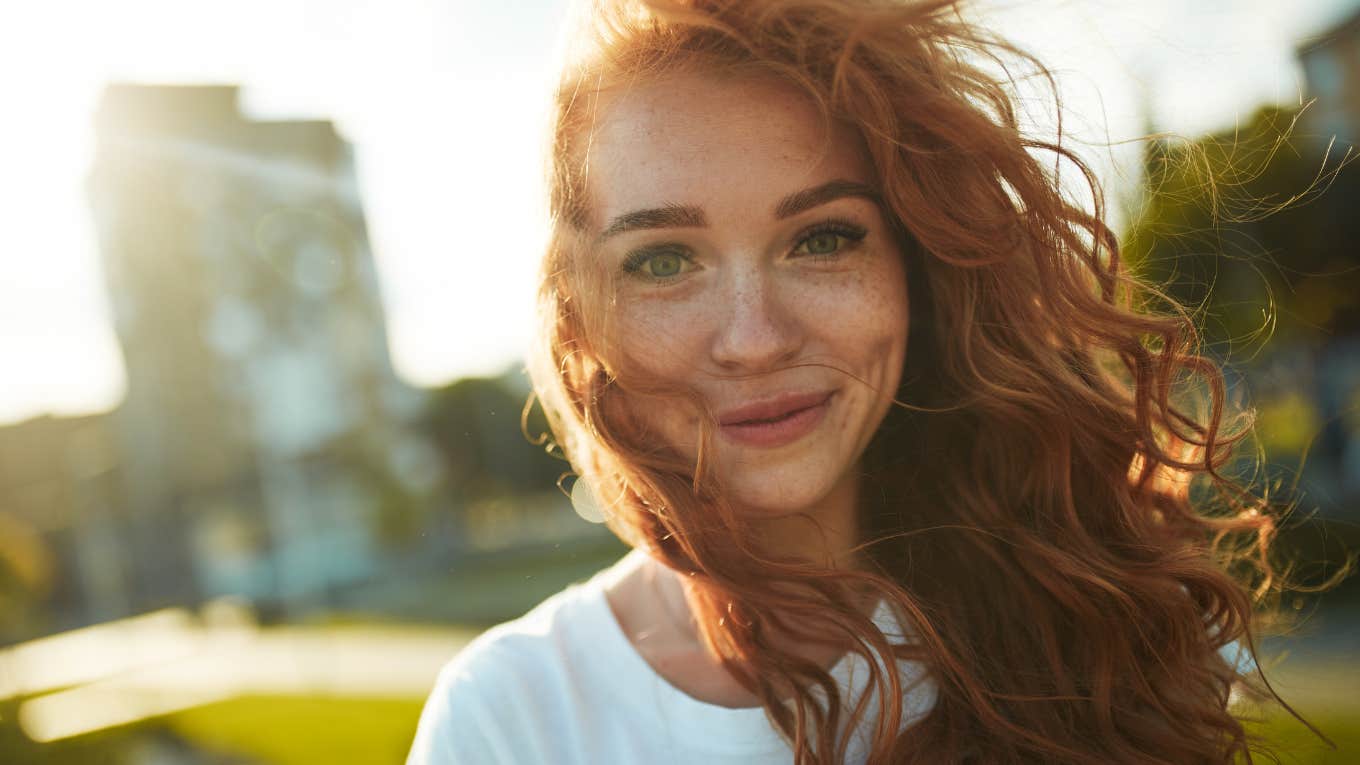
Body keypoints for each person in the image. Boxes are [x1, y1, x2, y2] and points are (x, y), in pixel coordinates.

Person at [407, 0, 1282, 762]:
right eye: (664, 259)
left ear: (918, 264)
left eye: (822, 238)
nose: (754, 341)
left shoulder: (1108, 614)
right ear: (580, 318)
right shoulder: (510, 719)